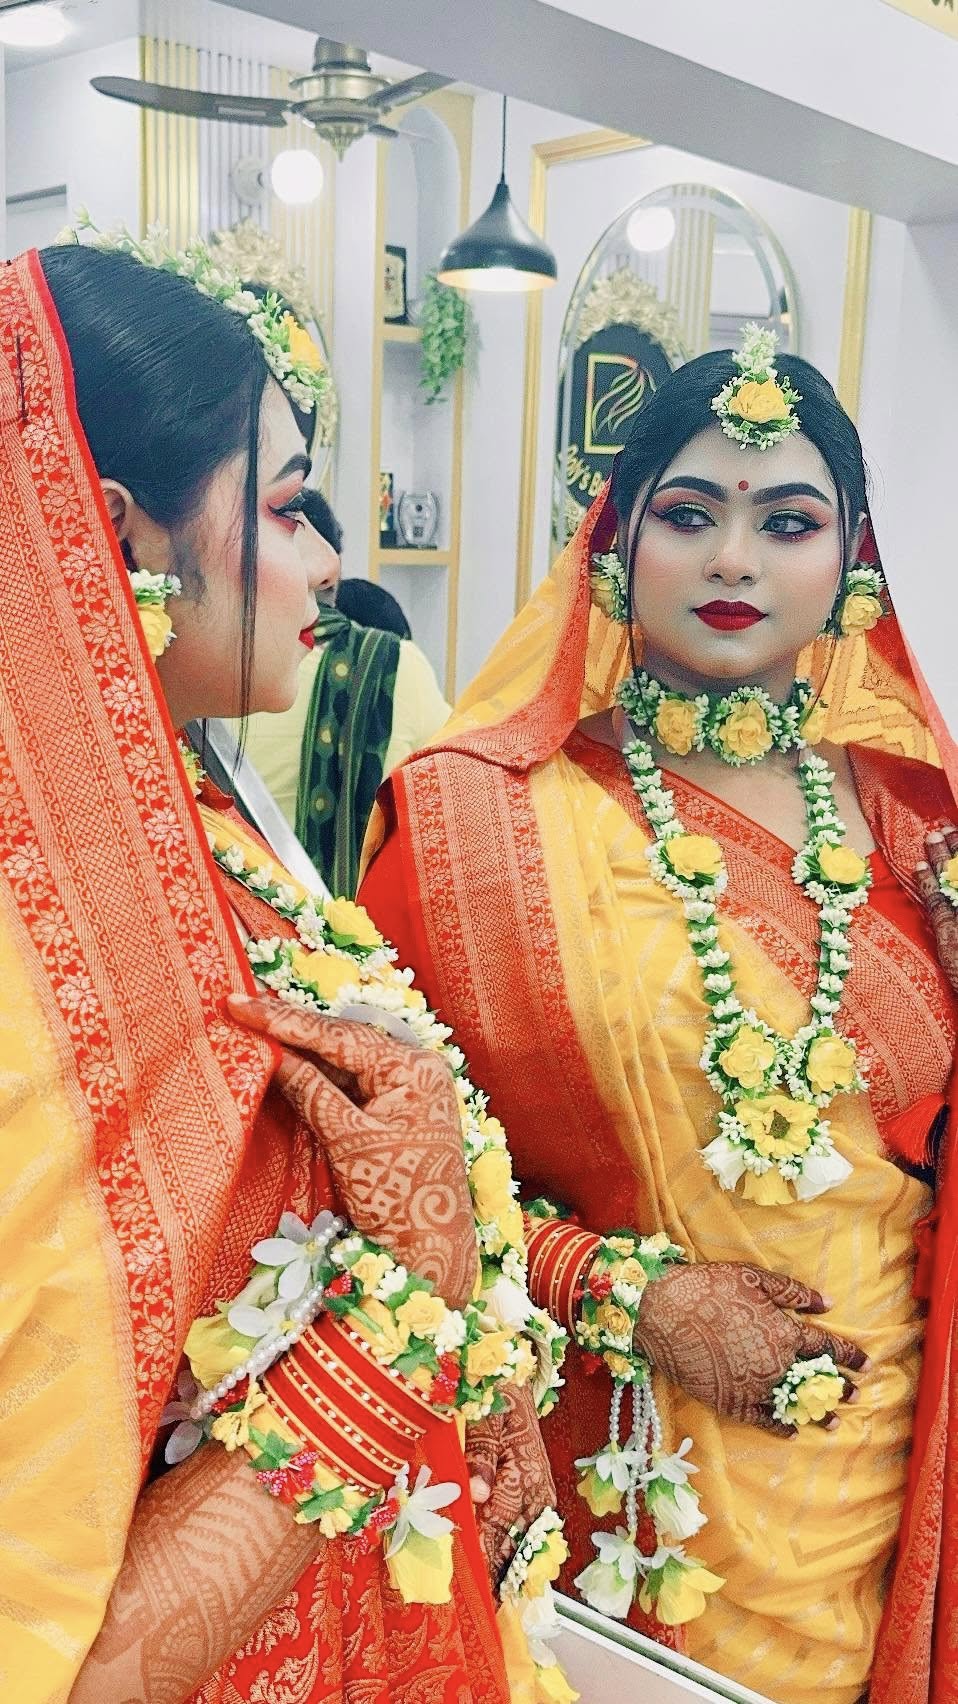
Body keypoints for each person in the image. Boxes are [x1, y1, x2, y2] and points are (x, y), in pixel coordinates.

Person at [0, 234, 560, 1704]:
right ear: (113, 533)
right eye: (290, 504)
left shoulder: (190, 830)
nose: (326, 563)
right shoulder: (31, 965)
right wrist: (408, 1299)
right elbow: (62, 1663)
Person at [361, 330, 958, 1704]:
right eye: (689, 515)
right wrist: (619, 1289)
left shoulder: (910, 819)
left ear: (851, 562)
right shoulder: (472, 823)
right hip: (609, 1458)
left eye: (786, 523)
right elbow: (369, 1172)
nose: (733, 560)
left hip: (884, 1470)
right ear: (617, 542)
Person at [241, 492, 450, 896]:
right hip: (360, 925)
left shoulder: (208, 663)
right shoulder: (394, 665)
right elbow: (452, 802)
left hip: (229, 911)